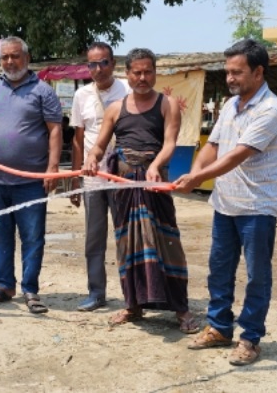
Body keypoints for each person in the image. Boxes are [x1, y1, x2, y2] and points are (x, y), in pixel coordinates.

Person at [174, 39, 277, 366]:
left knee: (257, 276)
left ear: (258, 71)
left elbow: (239, 154)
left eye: (237, 72)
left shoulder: (271, 110)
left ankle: (250, 338)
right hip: (225, 204)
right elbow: (214, 145)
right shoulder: (230, 105)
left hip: (257, 208)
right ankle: (220, 326)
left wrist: (196, 180)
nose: (230, 78)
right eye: (227, 72)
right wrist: (193, 171)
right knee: (219, 270)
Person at [82, 48, 198, 333]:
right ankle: (133, 305)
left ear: (155, 73)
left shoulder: (167, 104)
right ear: (128, 74)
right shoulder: (115, 108)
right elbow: (100, 144)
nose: (142, 77)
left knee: (167, 244)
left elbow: (170, 143)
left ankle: (181, 310)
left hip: (155, 185)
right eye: (137, 72)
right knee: (129, 246)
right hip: (124, 188)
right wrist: (92, 157)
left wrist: (156, 165)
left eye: (148, 71)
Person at [0, 36, 62, 314]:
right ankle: (4, 286)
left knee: (32, 236)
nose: (10, 62)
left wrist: (52, 168)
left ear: (27, 58)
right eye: (4, 57)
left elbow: (55, 130)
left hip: (30, 182)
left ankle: (30, 290)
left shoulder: (43, 91)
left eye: (15, 56)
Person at [69, 41, 128, 312]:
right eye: (92, 63)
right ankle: (96, 293)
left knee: (127, 236)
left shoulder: (127, 90)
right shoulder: (81, 95)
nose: (98, 68)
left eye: (104, 62)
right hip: (92, 178)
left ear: (113, 64)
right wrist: (75, 177)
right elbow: (79, 139)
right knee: (94, 238)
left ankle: (133, 294)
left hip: (123, 178)